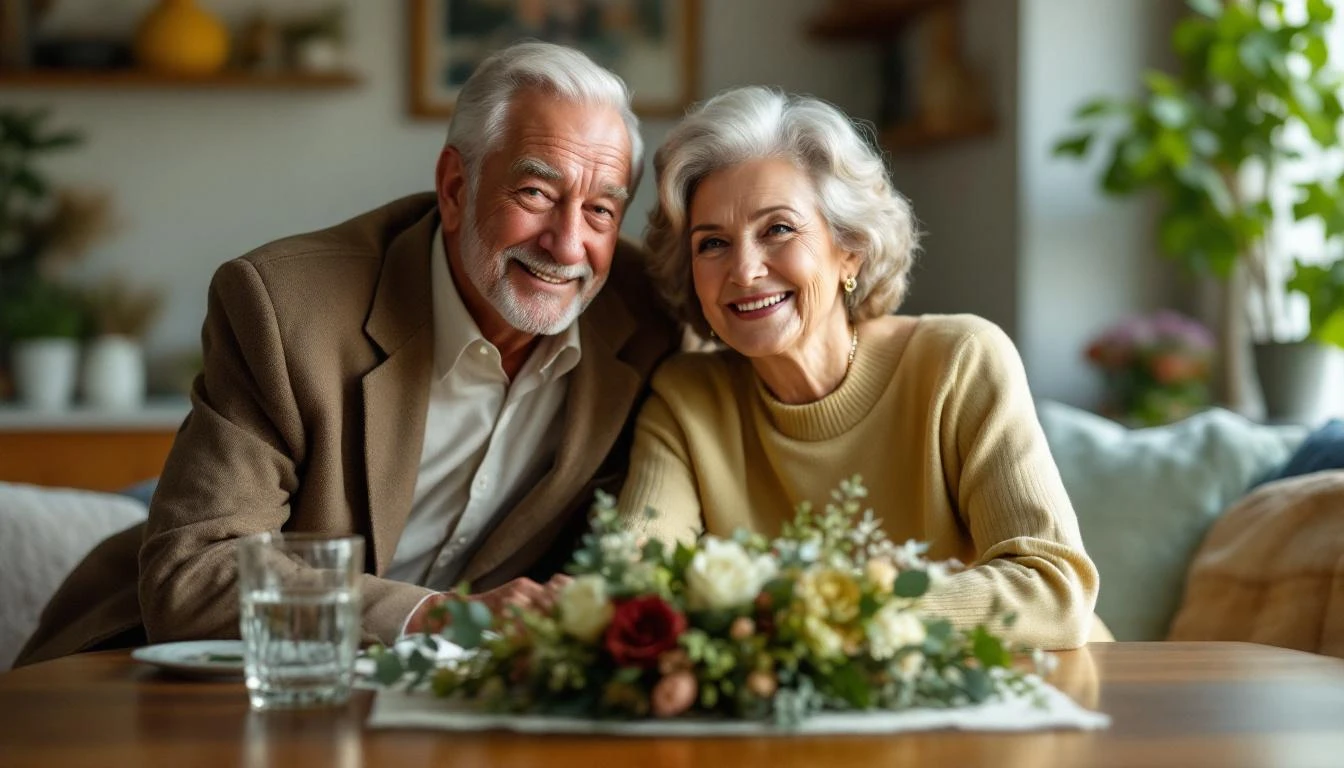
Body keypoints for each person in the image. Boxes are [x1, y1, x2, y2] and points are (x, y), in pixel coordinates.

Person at [16, 42, 679, 667]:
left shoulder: (648, 317)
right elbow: (199, 575)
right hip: (177, 672)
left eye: (599, 210)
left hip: (438, 701)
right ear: (454, 188)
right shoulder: (285, 306)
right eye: (535, 194)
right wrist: (441, 619)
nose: (568, 245)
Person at [618, 86, 1101, 649]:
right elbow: (630, 588)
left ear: (849, 248)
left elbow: (1053, 591)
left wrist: (831, 612)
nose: (745, 270)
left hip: (1045, 690)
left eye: (777, 229)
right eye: (712, 244)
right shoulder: (687, 400)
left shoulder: (960, 361)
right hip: (815, 718)